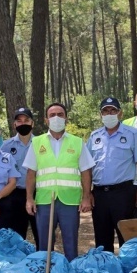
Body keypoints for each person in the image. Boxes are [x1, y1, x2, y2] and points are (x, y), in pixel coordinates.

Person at [24, 103, 94, 261]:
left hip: (69, 200)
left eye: (60, 114)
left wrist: (86, 197)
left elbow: (85, 172)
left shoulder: (77, 142)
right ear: (46, 120)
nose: (56, 118)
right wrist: (29, 198)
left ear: (66, 118)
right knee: (44, 244)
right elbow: (31, 173)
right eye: (52, 115)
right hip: (44, 200)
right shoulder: (36, 142)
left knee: (70, 242)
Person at [87, 97, 137, 251]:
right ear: (101, 114)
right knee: (102, 238)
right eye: (105, 111)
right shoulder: (94, 137)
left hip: (124, 193)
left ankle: (129, 272)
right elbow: (87, 168)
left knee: (126, 238)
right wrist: (87, 193)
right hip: (99, 194)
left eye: (113, 110)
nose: (109, 114)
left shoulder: (132, 134)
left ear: (120, 113)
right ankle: (107, 271)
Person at [0, 107, 39, 247]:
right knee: (17, 234)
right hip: (15, 194)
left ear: (32, 123)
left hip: (37, 194)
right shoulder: (5, 146)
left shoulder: (41, 144)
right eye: (19, 121)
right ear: (14, 124)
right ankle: (18, 264)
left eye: (26, 120)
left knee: (40, 233)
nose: (23, 124)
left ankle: (43, 263)